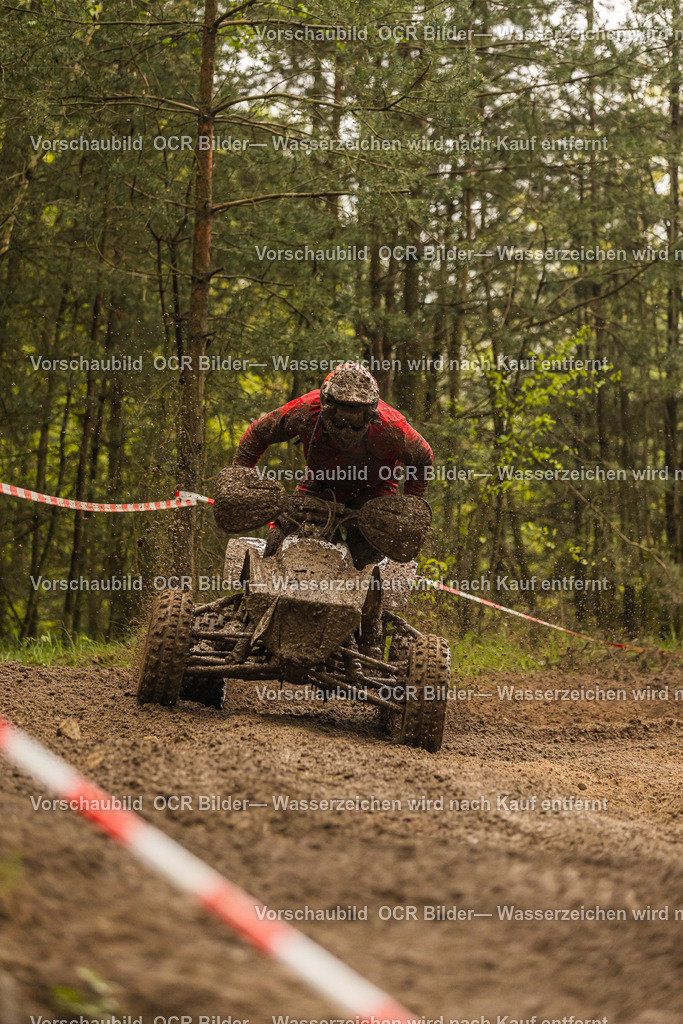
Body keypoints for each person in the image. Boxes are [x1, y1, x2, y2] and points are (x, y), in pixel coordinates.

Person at [232, 361, 433, 569]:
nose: (347, 428)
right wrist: (239, 479)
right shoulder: (305, 411)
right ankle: (263, 585)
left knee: (366, 559)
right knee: (284, 536)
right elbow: (258, 433)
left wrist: (409, 508)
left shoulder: (392, 427)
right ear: (325, 407)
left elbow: (423, 458)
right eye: (340, 417)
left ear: (371, 415)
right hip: (321, 483)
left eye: (357, 419)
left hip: (375, 491)